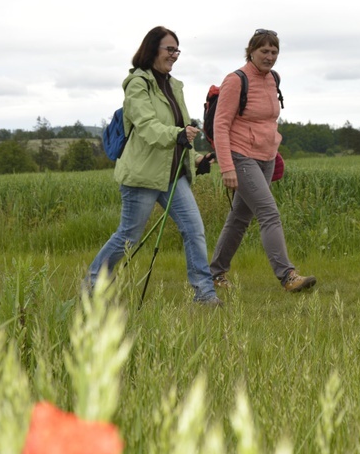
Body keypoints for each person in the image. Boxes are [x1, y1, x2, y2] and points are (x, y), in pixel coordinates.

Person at [86, 26, 222, 306]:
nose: (174, 55)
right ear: (152, 49)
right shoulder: (138, 83)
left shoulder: (175, 86)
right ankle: (92, 283)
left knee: (194, 230)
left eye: (177, 50)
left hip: (173, 177)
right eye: (169, 49)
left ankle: (205, 295)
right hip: (142, 175)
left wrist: (196, 160)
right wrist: (178, 135)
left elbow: (183, 131)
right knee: (129, 236)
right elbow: (148, 127)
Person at [210, 29, 317, 293]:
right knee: (269, 213)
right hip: (240, 156)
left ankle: (214, 273)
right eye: (264, 51)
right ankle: (287, 275)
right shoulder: (236, 80)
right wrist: (227, 167)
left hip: (266, 158)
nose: (269, 57)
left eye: (274, 52)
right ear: (251, 51)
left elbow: (269, 119)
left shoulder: (274, 79)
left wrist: (273, 149)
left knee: (239, 218)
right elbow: (220, 126)